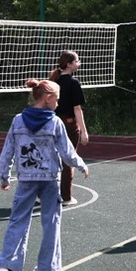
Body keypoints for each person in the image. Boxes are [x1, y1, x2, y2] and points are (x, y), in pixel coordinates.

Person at [0, 78, 90, 271]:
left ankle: (4, 264)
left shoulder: (18, 120)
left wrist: (4, 175)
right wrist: (81, 164)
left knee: (18, 220)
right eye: (57, 99)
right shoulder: (54, 122)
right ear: (47, 99)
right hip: (49, 179)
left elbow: (8, 150)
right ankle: (45, 270)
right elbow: (67, 152)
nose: (58, 103)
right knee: (51, 222)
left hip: (26, 178)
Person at [49, 50, 88, 204]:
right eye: (77, 61)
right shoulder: (73, 83)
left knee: (50, 158)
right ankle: (66, 197)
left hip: (52, 122)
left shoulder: (53, 82)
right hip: (68, 124)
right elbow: (77, 109)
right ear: (70, 64)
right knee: (68, 159)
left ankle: (42, 194)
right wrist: (84, 131)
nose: (79, 63)